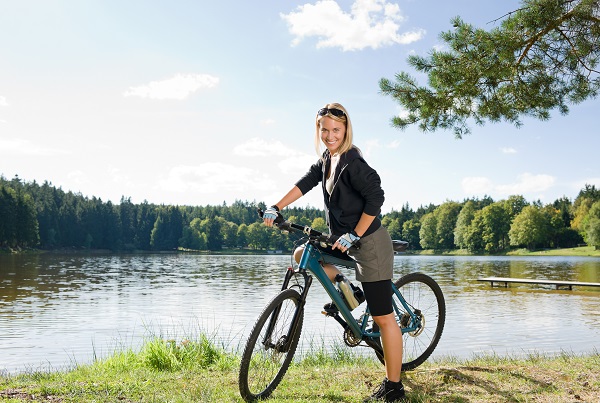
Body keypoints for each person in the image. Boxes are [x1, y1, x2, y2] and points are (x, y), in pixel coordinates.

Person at [262, 103, 406, 402]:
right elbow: (305, 183)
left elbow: (376, 197)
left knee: (383, 318)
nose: (329, 135)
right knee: (304, 253)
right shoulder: (327, 158)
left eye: (335, 130)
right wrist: (277, 207)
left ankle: (394, 387)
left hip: (369, 243)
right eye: (324, 130)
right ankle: (353, 293)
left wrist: (356, 233)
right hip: (342, 240)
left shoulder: (352, 161)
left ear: (346, 129)